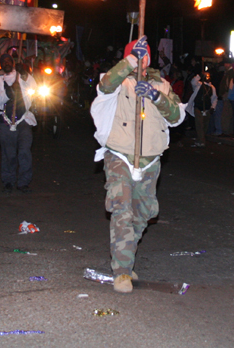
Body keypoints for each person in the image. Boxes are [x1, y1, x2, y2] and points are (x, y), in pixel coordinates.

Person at [90, 36, 185, 293]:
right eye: (135, 58)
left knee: (143, 214)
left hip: (150, 160)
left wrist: (155, 96)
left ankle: (126, 257)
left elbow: (176, 117)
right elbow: (106, 85)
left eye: (142, 59)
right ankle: (121, 272)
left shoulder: (162, 85)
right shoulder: (116, 81)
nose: (139, 64)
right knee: (122, 210)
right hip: (119, 155)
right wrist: (130, 59)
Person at [0, 53, 37, 192]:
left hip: (23, 121)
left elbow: (34, 90)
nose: (6, 63)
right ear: (1, 64)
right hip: (6, 122)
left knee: (24, 152)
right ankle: (8, 181)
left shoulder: (22, 77)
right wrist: (9, 93)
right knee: (8, 154)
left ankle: (23, 183)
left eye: (8, 61)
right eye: (3, 61)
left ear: (12, 62)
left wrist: (24, 75)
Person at [186, 72, 216, 147]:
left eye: (209, 76)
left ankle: (200, 139)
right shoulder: (198, 85)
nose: (207, 78)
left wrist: (213, 107)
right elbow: (193, 82)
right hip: (198, 108)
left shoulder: (212, 88)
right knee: (199, 124)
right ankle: (202, 141)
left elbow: (214, 98)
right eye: (206, 76)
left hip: (207, 109)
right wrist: (199, 76)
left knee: (205, 125)